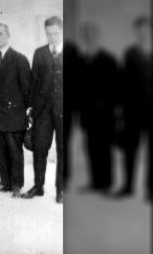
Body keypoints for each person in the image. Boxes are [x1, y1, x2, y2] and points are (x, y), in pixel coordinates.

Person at [0, 23, 31, 198]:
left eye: (0, 34)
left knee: (15, 152)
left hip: (14, 116)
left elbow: (27, 89)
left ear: (8, 35)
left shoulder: (19, 59)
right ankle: (4, 182)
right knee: (1, 152)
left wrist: (29, 113)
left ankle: (17, 185)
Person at [24, 17, 66, 203]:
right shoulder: (39, 53)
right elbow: (34, 82)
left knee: (63, 149)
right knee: (40, 148)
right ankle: (38, 186)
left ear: (62, 31)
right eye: (48, 33)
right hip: (43, 111)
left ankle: (61, 190)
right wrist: (31, 108)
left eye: (55, 33)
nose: (52, 37)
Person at [75, 22, 116, 194]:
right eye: (86, 35)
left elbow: (114, 87)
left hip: (104, 115)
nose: (88, 38)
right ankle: (95, 182)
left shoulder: (108, 59)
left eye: (91, 35)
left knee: (104, 149)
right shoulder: (82, 59)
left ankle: (106, 184)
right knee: (90, 148)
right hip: (87, 114)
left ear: (97, 37)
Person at [116, 16, 151, 199]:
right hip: (133, 112)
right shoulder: (130, 54)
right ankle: (128, 186)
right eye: (139, 30)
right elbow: (123, 84)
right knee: (130, 151)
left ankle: (150, 190)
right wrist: (120, 110)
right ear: (136, 33)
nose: (143, 33)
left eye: (146, 30)